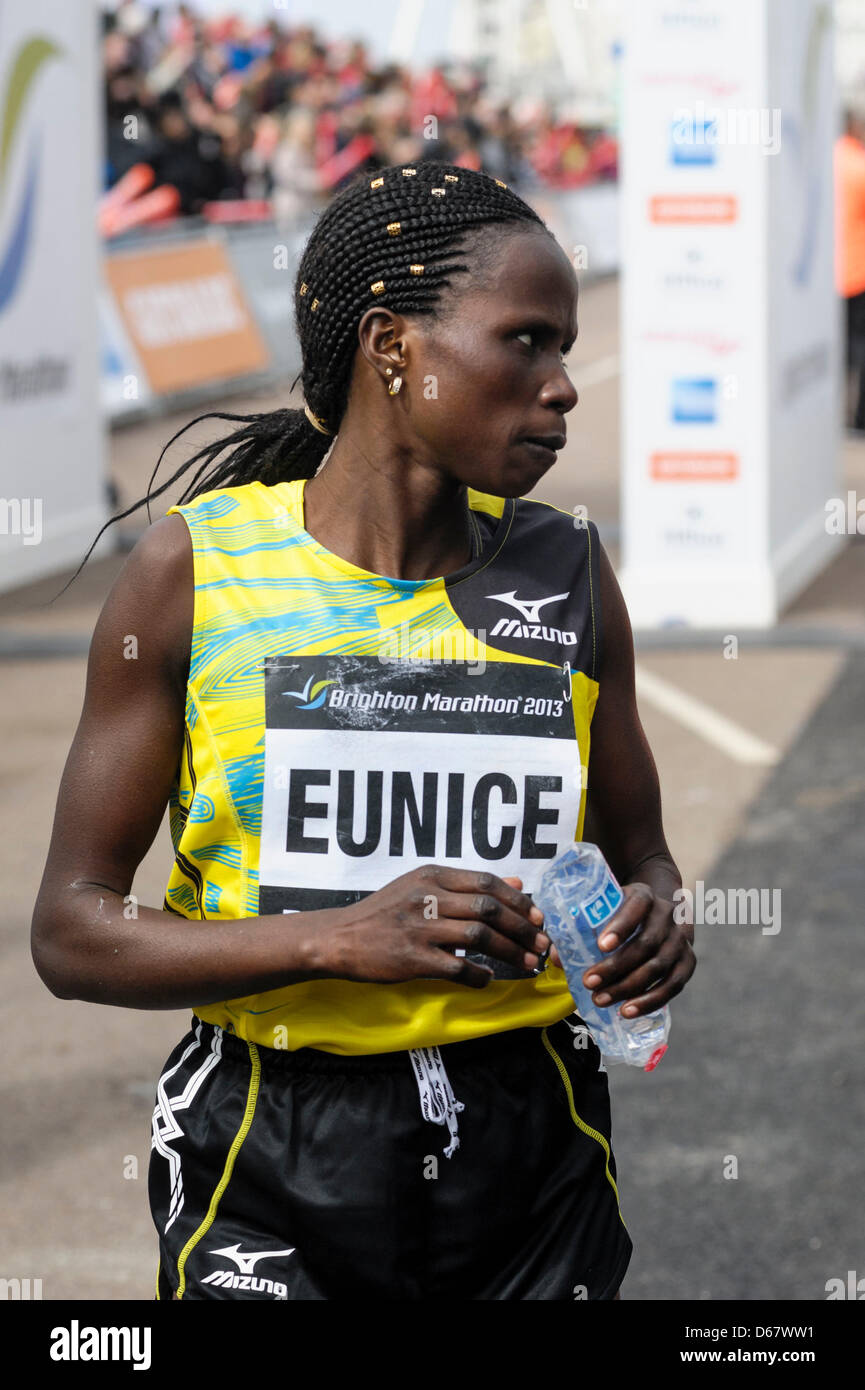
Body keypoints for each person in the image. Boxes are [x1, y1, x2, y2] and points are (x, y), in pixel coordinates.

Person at [31, 161, 695, 1301]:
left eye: (565, 349)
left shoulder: (569, 570)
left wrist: (654, 923)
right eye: (526, 341)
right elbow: (72, 931)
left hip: (532, 1140)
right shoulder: (198, 570)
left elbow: (643, 856)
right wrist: (336, 938)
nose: (563, 386)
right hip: (274, 1143)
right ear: (392, 345)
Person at [836, 105, 865, 430]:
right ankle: (858, 419)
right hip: (857, 272)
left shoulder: (827, 161)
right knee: (858, 351)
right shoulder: (859, 166)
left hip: (824, 277)